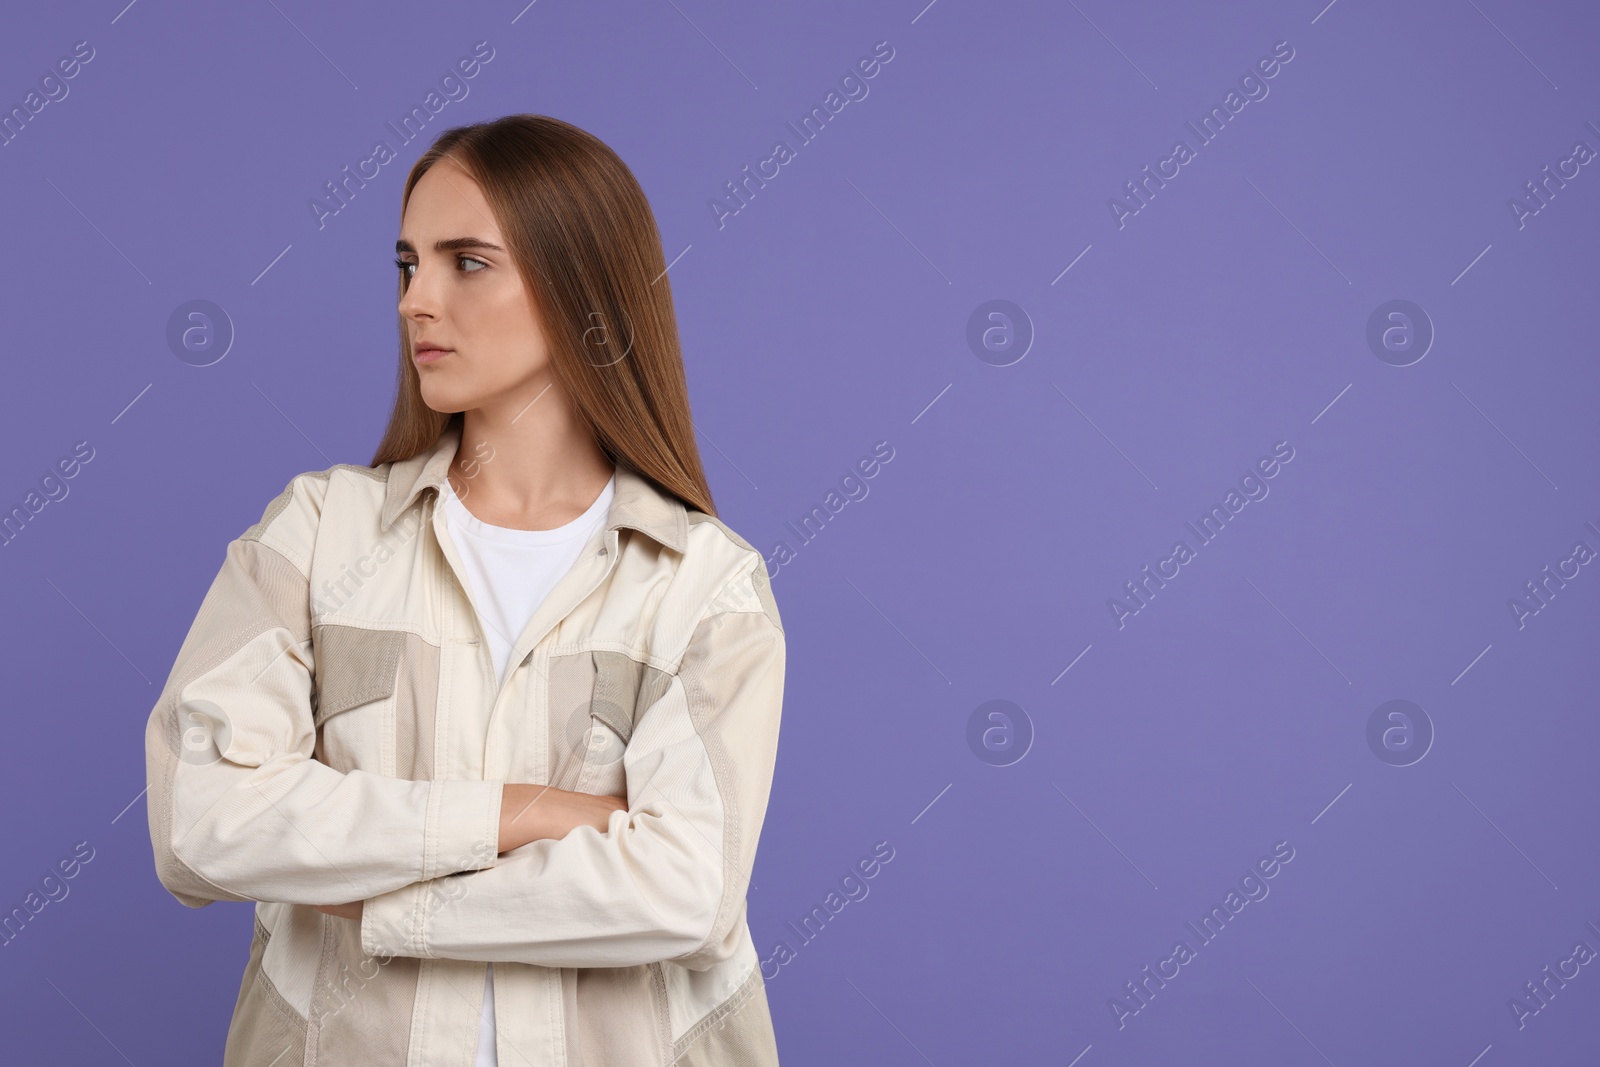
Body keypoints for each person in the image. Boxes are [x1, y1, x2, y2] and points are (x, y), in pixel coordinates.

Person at [143, 114, 786, 1066]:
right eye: (407, 265)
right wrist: (527, 811)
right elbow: (201, 823)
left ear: (585, 293)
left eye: (466, 262)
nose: (415, 301)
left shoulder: (706, 583)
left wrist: (370, 888)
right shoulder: (316, 535)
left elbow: (685, 892)